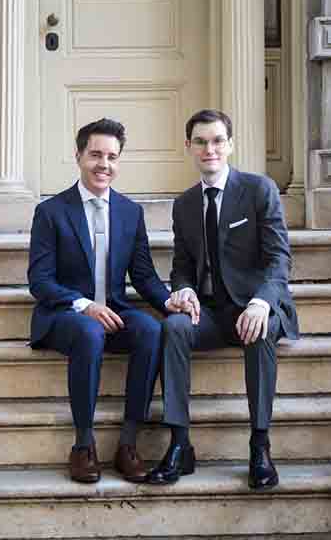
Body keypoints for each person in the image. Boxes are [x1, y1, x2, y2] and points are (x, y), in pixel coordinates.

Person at [146, 108, 298, 491]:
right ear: (188, 147)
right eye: (200, 141)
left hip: (254, 305)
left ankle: (259, 446)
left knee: (261, 330)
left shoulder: (259, 190)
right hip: (211, 312)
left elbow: (279, 258)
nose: (209, 149)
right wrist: (182, 289)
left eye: (216, 140)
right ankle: (180, 444)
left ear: (230, 145)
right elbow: (182, 264)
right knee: (174, 327)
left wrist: (262, 302)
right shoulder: (183, 205)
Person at [28, 117, 177, 484]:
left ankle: (127, 445)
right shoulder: (51, 212)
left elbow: (143, 277)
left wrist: (171, 301)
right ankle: (83, 446)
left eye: (112, 156)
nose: (103, 165)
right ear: (78, 156)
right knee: (89, 332)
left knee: (150, 329)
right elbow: (40, 281)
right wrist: (84, 305)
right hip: (65, 315)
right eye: (95, 154)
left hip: (113, 309)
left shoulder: (130, 212)